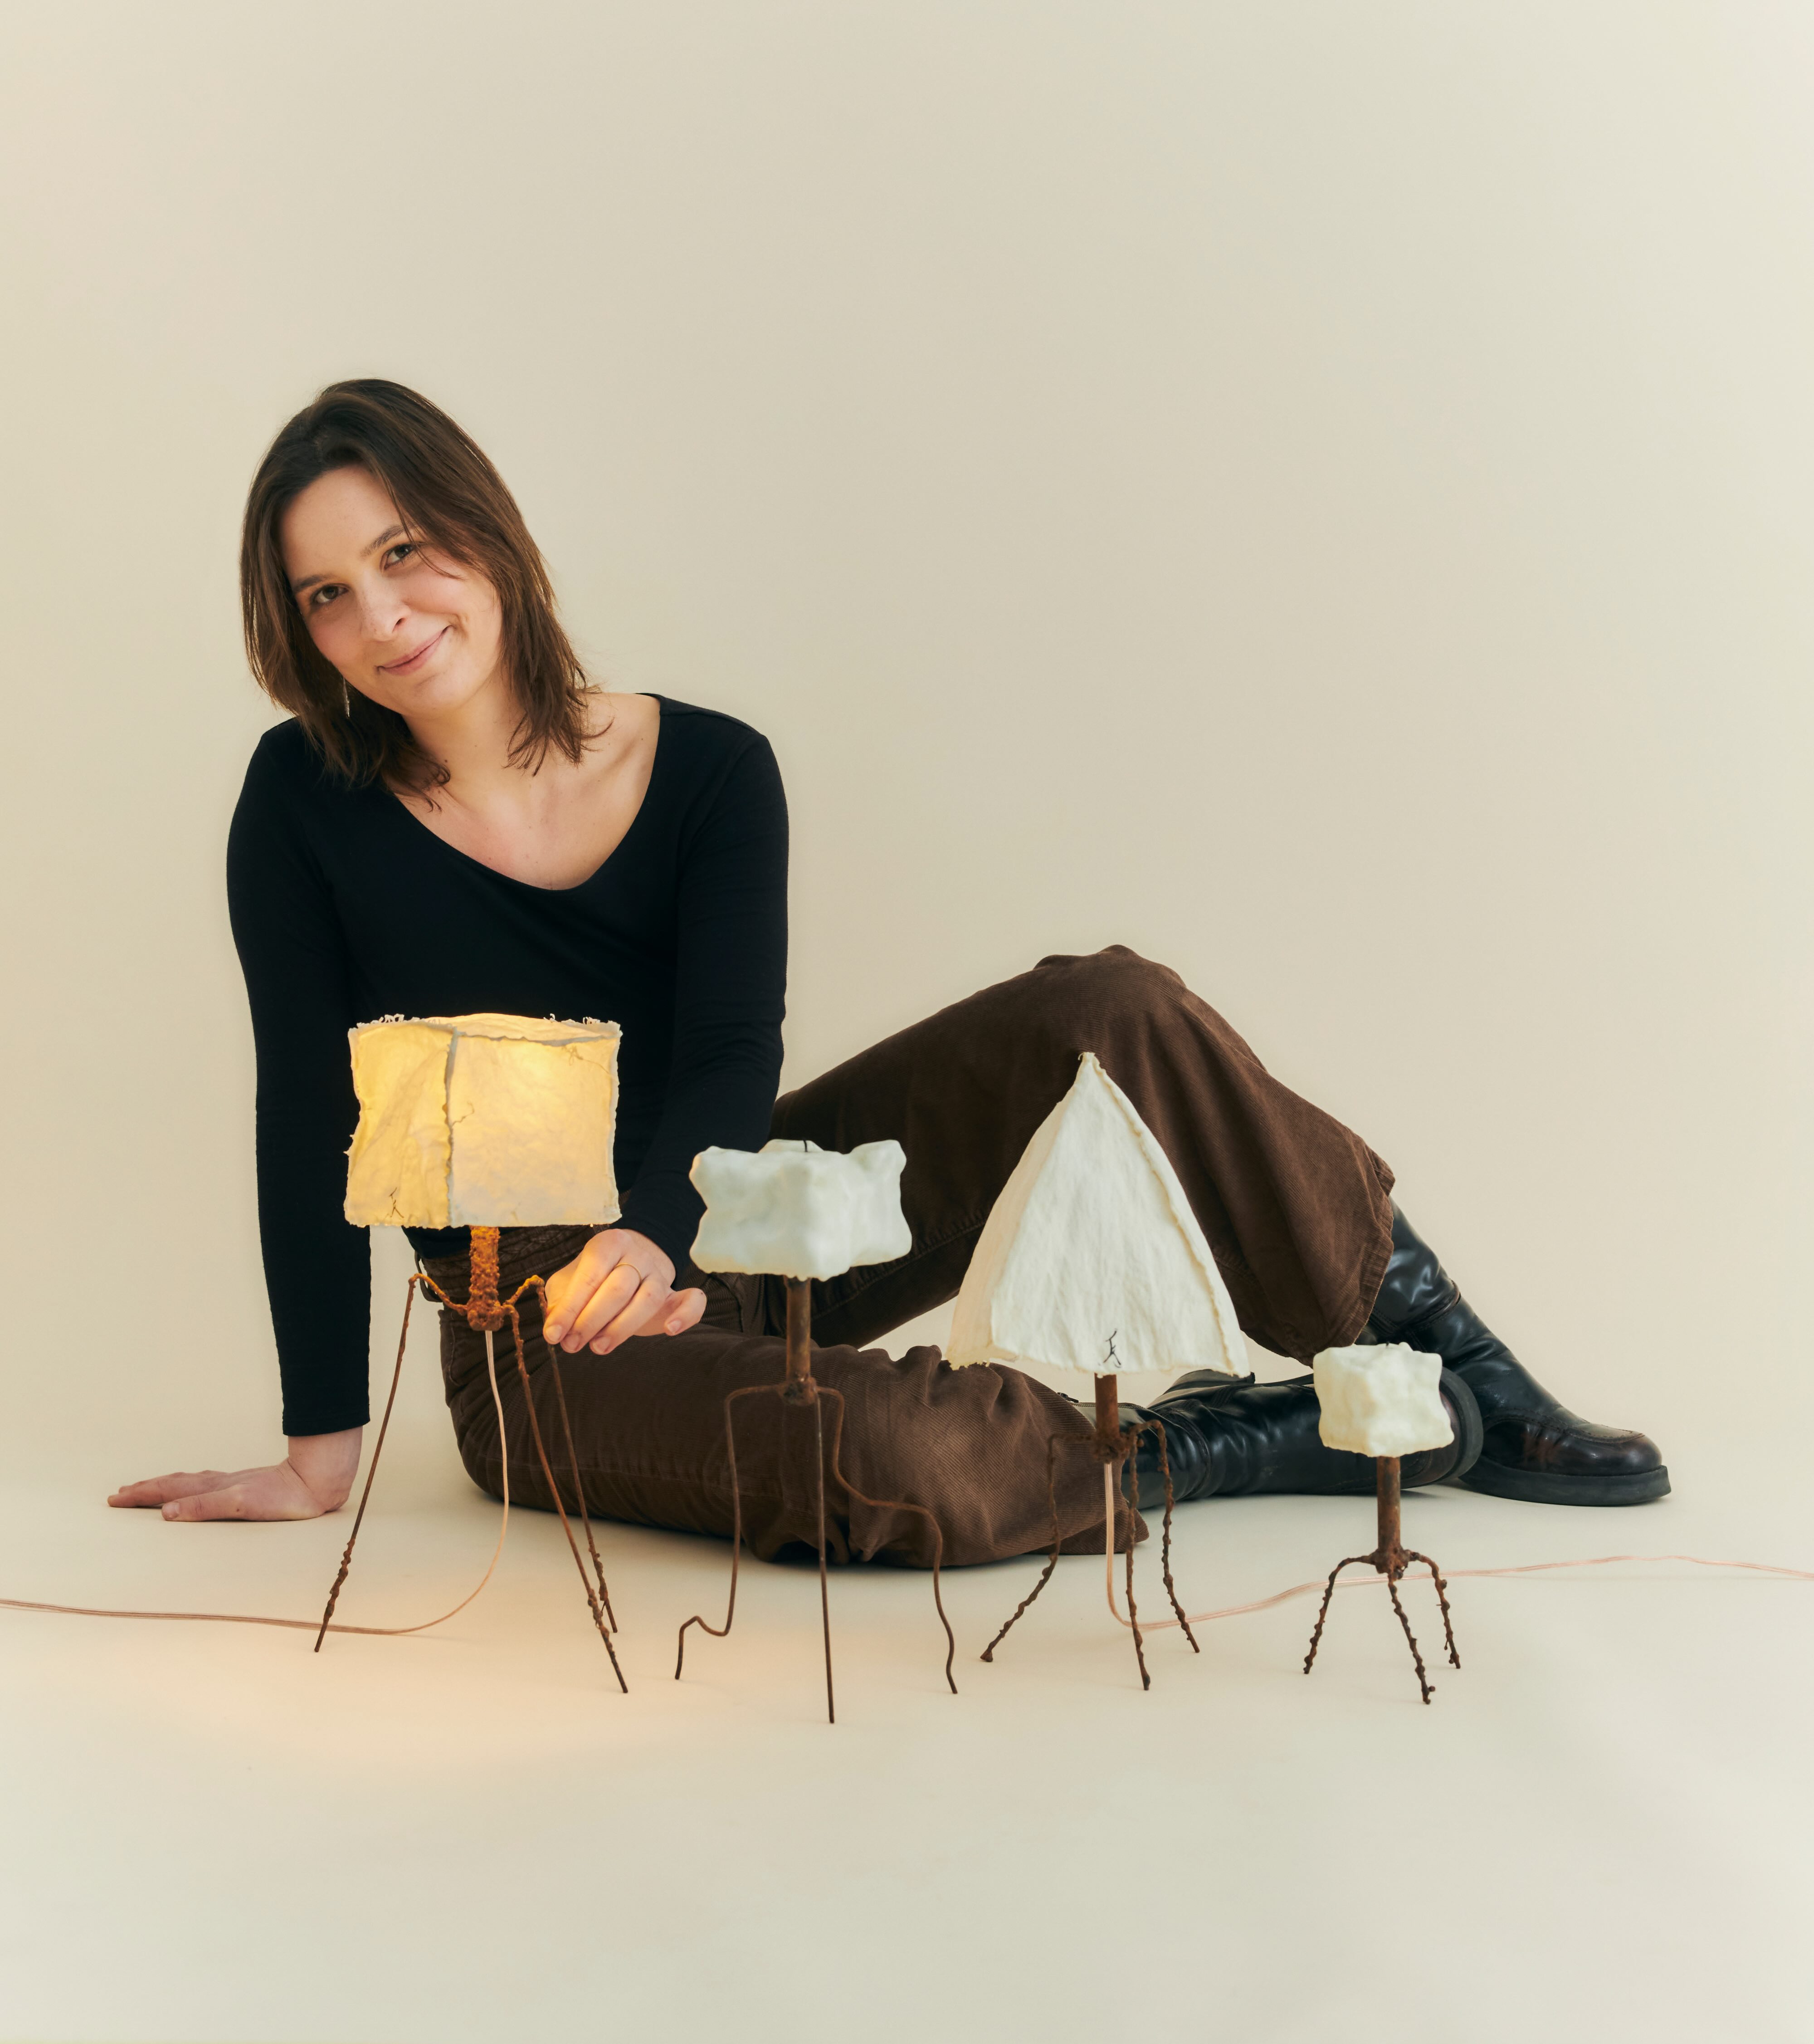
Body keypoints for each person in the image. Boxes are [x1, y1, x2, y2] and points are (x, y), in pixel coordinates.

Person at [111, 381, 1667, 1565]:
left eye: (403, 552)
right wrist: (320, 1449)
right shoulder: (301, 805)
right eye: (327, 594)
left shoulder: (710, 770)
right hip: (541, 1336)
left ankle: (1443, 1361)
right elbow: (303, 1115)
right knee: (886, 1461)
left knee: (1107, 1006)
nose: (382, 617)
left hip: (722, 1208)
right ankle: (1220, 1446)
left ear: (486, 530)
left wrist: (660, 1234)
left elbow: (731, 1046)